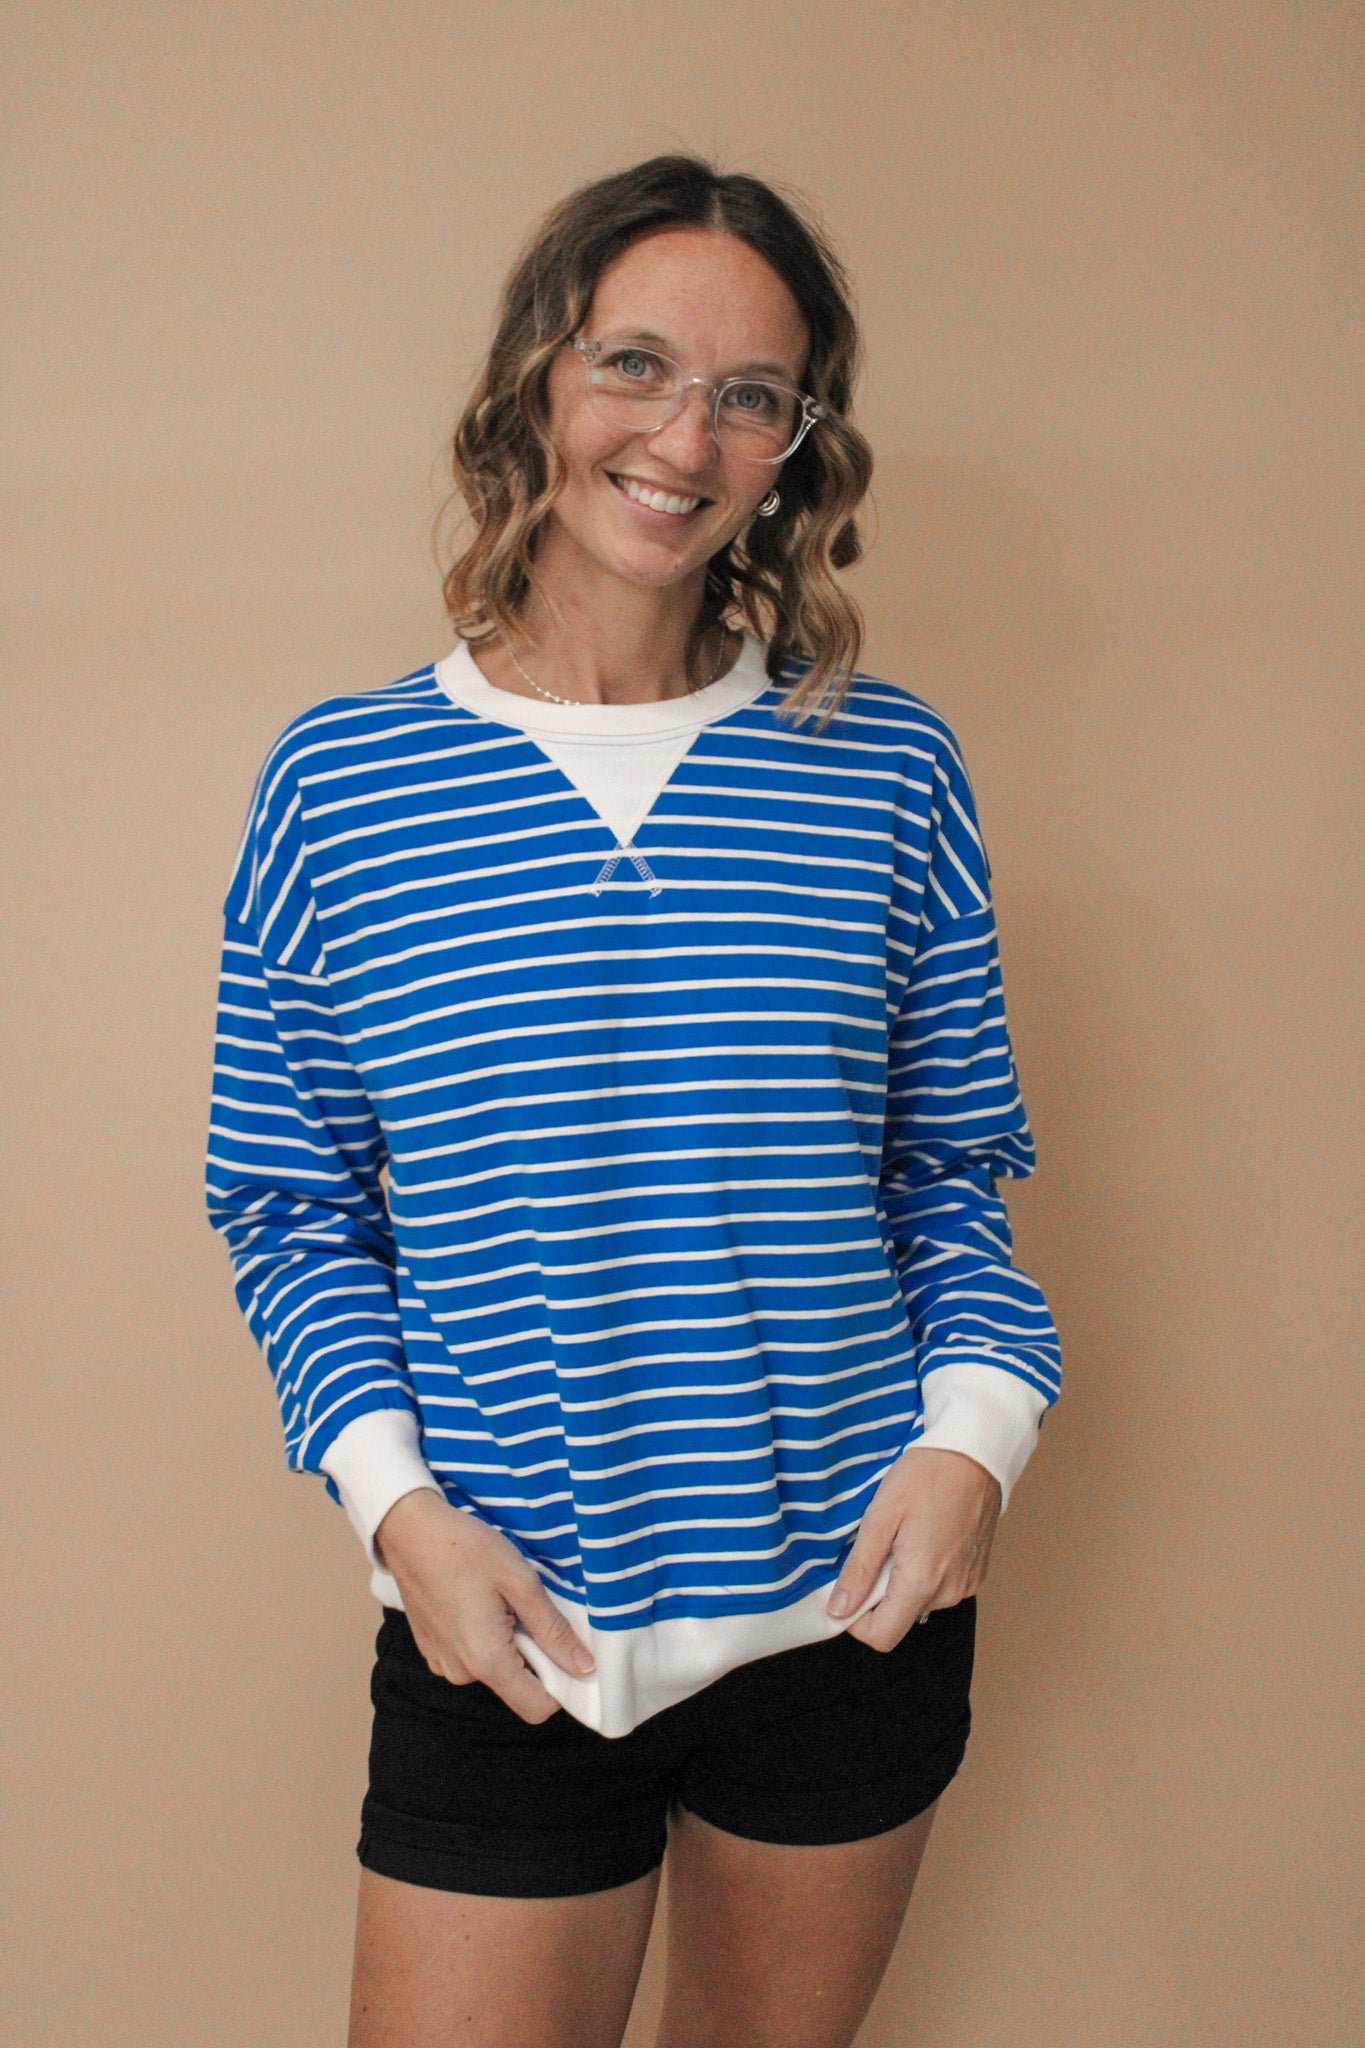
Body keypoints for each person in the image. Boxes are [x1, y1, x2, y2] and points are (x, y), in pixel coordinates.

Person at [207, 154, 1061, 2048]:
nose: (685, 437)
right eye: (637, 365)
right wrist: (399, 1516)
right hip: (503, 1621)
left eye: (752, 395)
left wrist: (972, 1443)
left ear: (794, 450)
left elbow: (946, 1174)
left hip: (849, 1611)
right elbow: (291, 1204)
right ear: (539, 376)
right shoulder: (341, 785)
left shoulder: (885, 769)